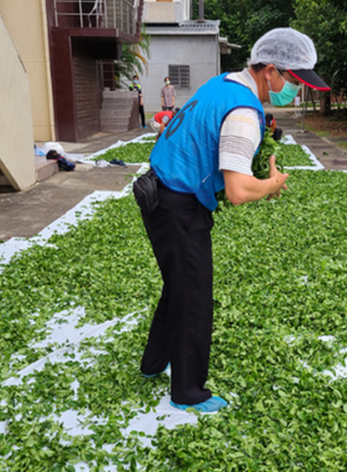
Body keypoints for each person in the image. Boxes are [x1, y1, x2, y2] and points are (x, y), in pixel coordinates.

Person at [135, 28, 330, 413]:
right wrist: (271, 184)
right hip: (179, 205)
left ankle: (154, 363)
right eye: (293, 80)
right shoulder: (244, 112)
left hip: (157, 195)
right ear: (270, 71)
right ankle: (188, 392)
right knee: (193, 297)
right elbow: (238, 191)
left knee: (178, 286)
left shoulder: (220, 83)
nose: (296, 90)